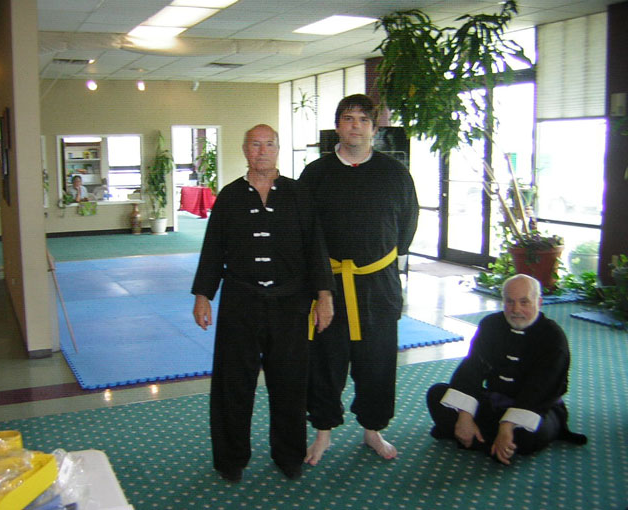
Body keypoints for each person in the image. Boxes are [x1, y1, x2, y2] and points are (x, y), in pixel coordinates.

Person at [191, 124, 335, 482]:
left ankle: (289, 455)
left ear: (278, 149)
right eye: (255, 144)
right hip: (240, 301)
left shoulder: (299, 194)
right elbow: (213, 250)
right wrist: (203, 296)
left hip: (291, 303)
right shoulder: (229, 196)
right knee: (232, 384)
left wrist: (324, 296)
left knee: (289, 382)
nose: (262, 151)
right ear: (245, 150)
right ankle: (231, 459)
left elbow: (316, 248)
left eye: (269, 144)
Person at [299, 94, 419, 465]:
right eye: (348, 119)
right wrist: (320, 288)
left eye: (363, 120)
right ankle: (323, 432)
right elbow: (304, 233)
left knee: (377, 362)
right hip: (328, 285)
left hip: (378, 283)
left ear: (374, 127)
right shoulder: (316, 174)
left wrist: (381, 259)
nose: (355, 126)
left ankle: (373, 429)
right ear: (337, 126)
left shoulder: (394, 173)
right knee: (325, 362)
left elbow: (407, 226)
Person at [426, 274, 587, 465]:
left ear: (539, 302)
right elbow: (472, 367)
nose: (516, 309)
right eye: (510, 302)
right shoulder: (491, 325)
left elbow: (543, 387)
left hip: (538, 407)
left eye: (524, 302)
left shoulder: (552, 336)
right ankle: (491, 442)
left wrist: (507, 425)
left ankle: (481, 438)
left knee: (526, 437)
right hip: (493, 402)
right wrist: (465, 416)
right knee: (437, 394)